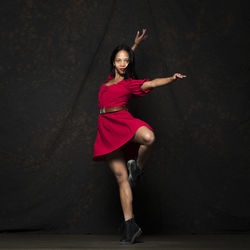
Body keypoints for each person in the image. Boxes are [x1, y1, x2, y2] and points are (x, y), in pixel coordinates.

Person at [92, 29, 187, 244]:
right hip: (106, 128)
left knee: (149, 137)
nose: (123, 64)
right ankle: (130, 226)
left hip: (122, 120)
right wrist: (134, 45)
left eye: (126, 61)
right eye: (119, 60)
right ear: (113, 63)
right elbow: (125, 57)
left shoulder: (129, 84)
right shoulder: (107, 81)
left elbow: (151, 83)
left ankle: (138, 167)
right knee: (120, 178)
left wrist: (171, 79)